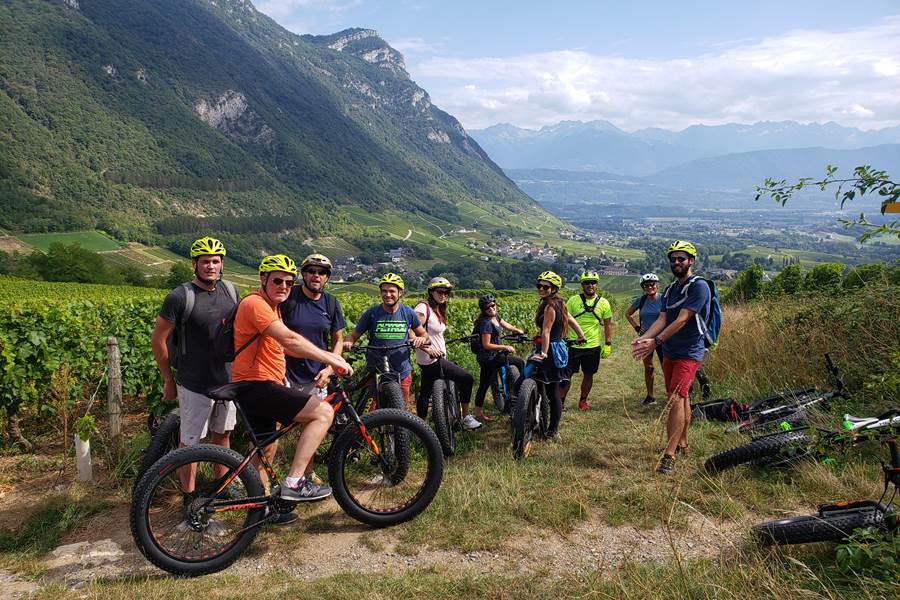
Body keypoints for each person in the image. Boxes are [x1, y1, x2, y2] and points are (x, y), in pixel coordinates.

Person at [231, 254, 353, 501]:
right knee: (323, 413)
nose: (284, 287)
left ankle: (260, 502)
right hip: (257, 384)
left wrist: (326, 364)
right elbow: (289, 340)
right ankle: (295, 482)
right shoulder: (256, 304)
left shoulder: (273, 306)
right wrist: (333, 359)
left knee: (266, 446)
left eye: (288, 282)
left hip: (261, 383)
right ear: (263, 279)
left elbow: (282, 346)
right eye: (278, 281)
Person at [150, 236, 238, 491]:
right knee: (190, 443)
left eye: (215, 261)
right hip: (193, 382)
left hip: (226, 380)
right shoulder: (180, 297)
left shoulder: (231, 291)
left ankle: (220, 488)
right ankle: (189, 496)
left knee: (222, 436)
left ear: (222, 264)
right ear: (194, 264)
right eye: (205, 262)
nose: (210, 266)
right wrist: (168, 380)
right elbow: (158, 340)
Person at [632, 242, 710, 475]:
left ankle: (669, 454)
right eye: (673, 259)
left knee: (675, 398)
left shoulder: (700, 287)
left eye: (681, 259)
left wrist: (655, 342)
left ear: (691, 261)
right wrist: (642, 339)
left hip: (690, 350)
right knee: (679, 396)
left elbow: (682, 319)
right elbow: (662, 320)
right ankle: (682, 441)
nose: (676, 263)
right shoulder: (669, 291)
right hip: (670, 350)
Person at [279, 253, 346, 494]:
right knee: (275, 429)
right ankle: (264, 481)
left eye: (322, 272)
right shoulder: (289, 298)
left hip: (316, 376)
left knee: (312, 427)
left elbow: (337, 338)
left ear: (327, 277)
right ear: (303, 274)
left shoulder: (330, 303)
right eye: (311, 271)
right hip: (285, 374)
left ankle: (306, 474)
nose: (316, 276)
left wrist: (330, 367)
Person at [342, 273, 428, 406]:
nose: (388, 295)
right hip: (374, 370)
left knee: (400, 414)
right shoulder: (371, 313)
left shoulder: (408, 313)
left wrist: (420, 339)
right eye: (384, 291)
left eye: (392, 291)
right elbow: (353, 335)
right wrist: (349, 342)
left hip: (402, 371)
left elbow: (423, 334)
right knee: (370, 412)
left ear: (400, 293)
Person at [413, 277, 479, 430]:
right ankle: (465, 417)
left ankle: (420, 427)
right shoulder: (423, 308)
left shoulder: (437, 309)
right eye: (440, 291)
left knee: (425, 393)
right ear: (431, 292)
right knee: (467, 379)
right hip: (432, 360)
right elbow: (411, 331)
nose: (443, 295)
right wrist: (428, 349)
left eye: (447, 292)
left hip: (430, 360)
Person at [530, 271, 585, 438]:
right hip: (558, 348)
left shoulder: (549, 306)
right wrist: (581, 335)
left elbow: (546, 331)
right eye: (539, 285)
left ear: (553, 289)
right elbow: (570, 319)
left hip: (550, 350)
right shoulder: (559, 303)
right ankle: (550, 427)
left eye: (545, 287)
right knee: (552, 389)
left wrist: (544, 354)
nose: (541, 288)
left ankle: (551, 429)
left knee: (551, 390)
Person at [561, 271, 612, 411]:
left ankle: (583, 400)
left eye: (593, 282)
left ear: (597, 285)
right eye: (587, 282)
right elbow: (565, 321)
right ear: (582, 284)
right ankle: (561, 401)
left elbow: (608, 324)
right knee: (566, 376)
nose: (590, 285)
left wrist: (608, 344)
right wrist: (563, 340)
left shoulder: (604, 303)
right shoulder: (572, 301)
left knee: (588, 374)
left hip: (593, 346)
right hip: (573, 345)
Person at [472, 294, 526, 423]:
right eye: (487, 308)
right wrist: (505, 346)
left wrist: (517, 331)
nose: (491, 308)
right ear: (483, 310)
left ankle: (479, 411)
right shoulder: (486, 323)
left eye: (493, 305)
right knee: (519, 362)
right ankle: (519, 390)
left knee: (484, 384)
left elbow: (505, 324)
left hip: (495, 354)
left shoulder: (495, 317)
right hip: (488, 357)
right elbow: (486, 345)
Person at [626, 273, 663, 405]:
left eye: (652, 284)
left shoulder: (664, 299)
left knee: (667, 367)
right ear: (643, 287)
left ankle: (672, 394)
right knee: (649, 367)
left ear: (657, 285)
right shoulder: (641, 300)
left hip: (662, 338)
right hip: (646, 337)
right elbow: (628, 314)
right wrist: (637, 327)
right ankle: (650, 396)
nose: (650, 287)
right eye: (646, 285)